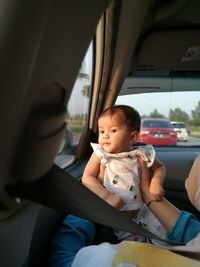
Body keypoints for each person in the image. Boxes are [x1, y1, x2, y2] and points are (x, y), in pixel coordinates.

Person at [47, 155, 200, 267]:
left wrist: (96, 201)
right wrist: (147, 194)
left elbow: (60, 259)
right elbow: (194, 236)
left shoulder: (111, 259)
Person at [82, 105, 166, 241]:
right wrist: (107, 197)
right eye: (102, 131)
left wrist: (156, 182)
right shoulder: (100, 154)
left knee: (163, 238)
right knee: (135, 250)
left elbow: (160, 168)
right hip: (122, 219)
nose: (105, 136)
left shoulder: (142, 153)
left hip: (146, 210)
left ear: (132, 137)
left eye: (113, 130)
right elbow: (87, 177)